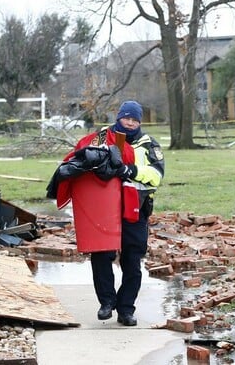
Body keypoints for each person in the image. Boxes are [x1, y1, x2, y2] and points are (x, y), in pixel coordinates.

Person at [84, 100, 164, 327]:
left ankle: (126, 309)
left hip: (135, 210)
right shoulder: (102, 136)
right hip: (104, 209)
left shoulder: (148, 144)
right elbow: (86, 155)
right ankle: (107, 303)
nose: (130, 123)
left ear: (139, 121)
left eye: (134, 119)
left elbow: (157, 174)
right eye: (126, 118)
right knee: (101, 255)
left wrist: (131, 170)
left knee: (132, 260)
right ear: (118, 117)